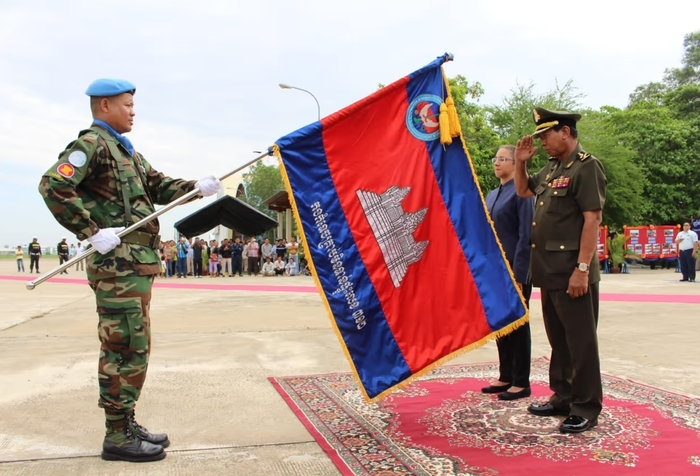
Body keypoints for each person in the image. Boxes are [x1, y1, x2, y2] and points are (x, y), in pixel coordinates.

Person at [38, 78, 221, 462]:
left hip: (134, 266)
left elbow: (156, 186)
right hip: (116, 267)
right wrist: (90, 232)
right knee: (123, 347)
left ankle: (126, 422)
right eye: (127, 105)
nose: (133, 111)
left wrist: (196, 187)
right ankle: (117, 436)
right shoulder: (92, 144)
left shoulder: (127, 153)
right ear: (104, 106)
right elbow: (54, 185)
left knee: (135, 346)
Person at [514, 107, 606, 434]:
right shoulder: (553, 167)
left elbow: (592, 220)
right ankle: (563, 396)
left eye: (546, 136)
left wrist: (582, 269)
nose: (543, 143)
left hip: (572, 273)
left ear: (565, 132)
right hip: (549, 271)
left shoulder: (586, 167)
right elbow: (524, 190)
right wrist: (521, 163)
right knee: (560, 341)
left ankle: (586, 406)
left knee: (581, 343)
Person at [482, 145, 534, 401]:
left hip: (515, 268)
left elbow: (526, 236)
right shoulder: (492, 195)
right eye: (496, 159)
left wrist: (520, 273)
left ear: (515, 163)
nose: (497, 163)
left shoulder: (523, 193)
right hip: (495, 270)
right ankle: (506, 374)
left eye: (503, 159)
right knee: (501, 323)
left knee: (518, 325)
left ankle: (521, 381)